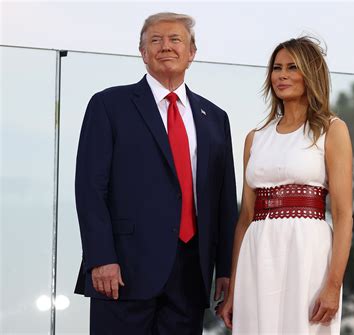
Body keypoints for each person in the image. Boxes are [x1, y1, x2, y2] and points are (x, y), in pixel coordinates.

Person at [74, 12, 238, 334]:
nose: (166, 46)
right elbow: (90, 188)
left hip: (191, 274)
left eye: (175, 39)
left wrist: (226, 268)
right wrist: (100, 257)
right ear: (142, 51)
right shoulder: (109, 105)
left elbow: (223, 200)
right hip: (122, 271)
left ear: (192, 52)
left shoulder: (215, 118)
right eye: (156, 40)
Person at [219, 36, 353, 334]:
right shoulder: (256, 137)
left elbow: (344, 215)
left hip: (307, 252)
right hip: (258, 252)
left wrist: (333, 285)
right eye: (277, 68)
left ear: (311, 73)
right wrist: (232, 289)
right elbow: (245, 218)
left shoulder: (332, 130)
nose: (282, 75)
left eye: (293, 67)